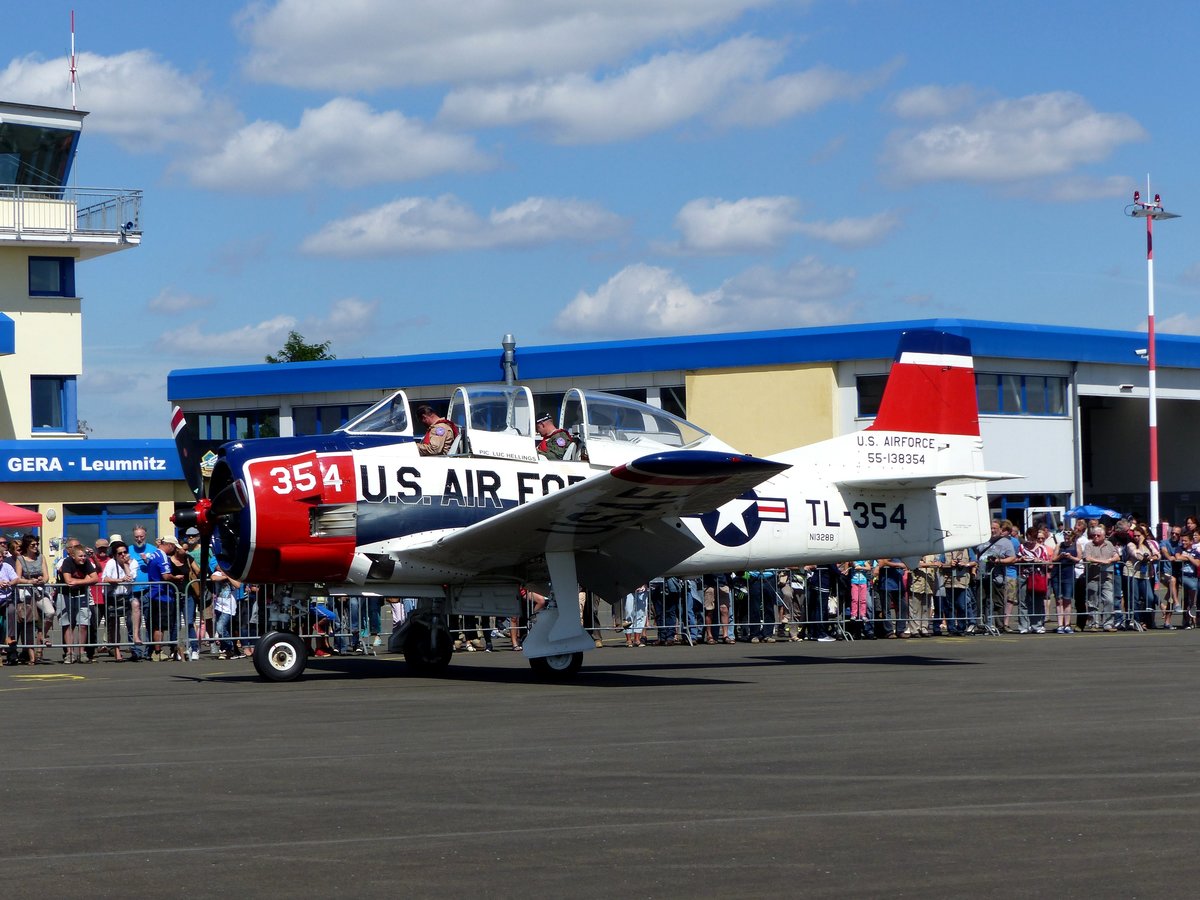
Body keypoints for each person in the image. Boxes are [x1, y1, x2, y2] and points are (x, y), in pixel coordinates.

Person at [59, 543, 99, 664]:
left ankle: (82, 652)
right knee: (67, 624)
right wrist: (86, 580)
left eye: (84, 556)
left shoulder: (86, 563)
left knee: (83, 624)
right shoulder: (67, 562)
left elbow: (95, 578)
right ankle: (70, 653)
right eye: (80, 556)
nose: (83, 558)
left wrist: (78, 582)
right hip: (66, 595)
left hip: (82, 595)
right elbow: (68, 580)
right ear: (73, 556)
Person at [102, 541, 138, 661]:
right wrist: (120, 580)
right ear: (115, 555)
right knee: (114, 624)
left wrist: (126, 564)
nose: (123, 555)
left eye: (125, 552)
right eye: (120, 553)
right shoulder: (111, 563)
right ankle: (117, 651)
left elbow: (131, 578)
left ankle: (135, 646)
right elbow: (105, 578)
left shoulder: (133, 562)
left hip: (126, 595)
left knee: (131, 621)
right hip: (112, 596)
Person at [1081, 525, 1120, 631]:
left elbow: (1117, 556)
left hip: (1106, 576)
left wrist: (1110, 560)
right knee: (1092, 601)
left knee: (1109, 600)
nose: (1096, 537)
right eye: (1094, 535)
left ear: (1103, 536)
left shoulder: (1109, 544)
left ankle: (1108, 624)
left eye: (1098, 535)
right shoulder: (1089, 545)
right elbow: (1087, 558)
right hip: (1092, 577)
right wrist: (1102, 561)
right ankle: (1094, 624)